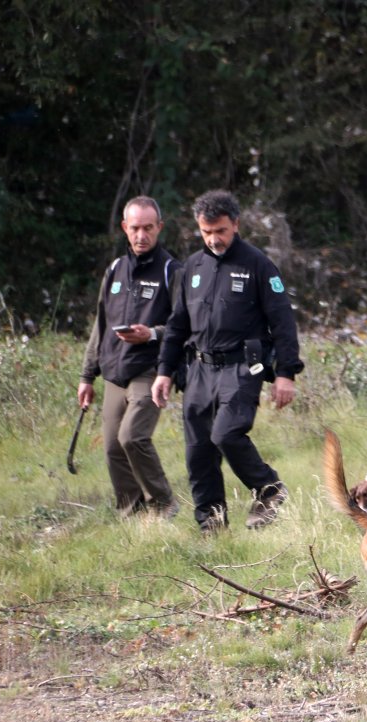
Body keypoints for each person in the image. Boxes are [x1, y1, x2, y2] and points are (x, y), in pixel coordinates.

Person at [151, 190, 304, 534]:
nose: (213, 239)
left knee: (226, 433)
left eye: (220, 230)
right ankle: (212, 525)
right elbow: (177, 324)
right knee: (198, 451)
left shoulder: (259, 265)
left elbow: (282, 322)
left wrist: (286, 374)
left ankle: (268, 489)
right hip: (199, 369)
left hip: (242, 367)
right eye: (206, 232)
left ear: (235, 224)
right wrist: (164, 371)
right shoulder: (191, 267)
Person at [78, 196, 181, 519]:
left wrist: (151, 333)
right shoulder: (114, 270)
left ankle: (163, 505)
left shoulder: (170, 270)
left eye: (148, 228)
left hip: (150, 369)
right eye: (135, 228)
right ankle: (132, 514)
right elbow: (101, 324)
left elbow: (184, 325)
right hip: (113, 370)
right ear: (125, 228)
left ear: (159, 228)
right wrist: (86, 376)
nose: (141, 235)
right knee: (112, 448)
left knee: (132, 437)